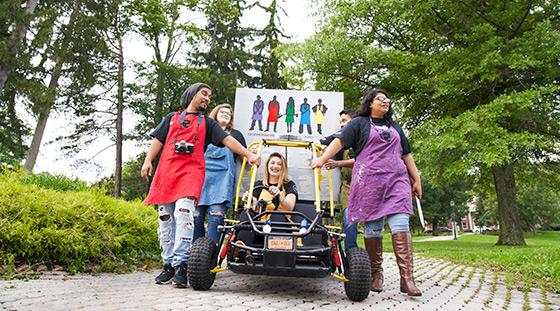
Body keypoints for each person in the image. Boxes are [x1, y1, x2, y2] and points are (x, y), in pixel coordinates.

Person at [141, 83, 259, 288]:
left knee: (184, 213)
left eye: (210, 96)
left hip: (191, 173)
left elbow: (228, 140)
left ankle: (182, 265)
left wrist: (248, 154)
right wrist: (148, 160)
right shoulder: (171, 118)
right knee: (165, 218)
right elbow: (158, 140)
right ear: (192, 94)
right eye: (204, 94)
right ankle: (168, 264)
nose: (207, 98)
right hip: (166, 173)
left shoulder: (208, 123)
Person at [311, 89, 422, 296]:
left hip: (397, 180)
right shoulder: (359, 123)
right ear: (370, 103)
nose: (385, 102)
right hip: (370, 182)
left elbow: (406, 154)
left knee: (401, 224)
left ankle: (407, 278)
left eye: (388, 99)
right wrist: (322, 159)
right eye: (381, 99)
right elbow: (339, 141)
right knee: (373, 228)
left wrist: (416, 179)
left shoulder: (395, 126)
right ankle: (375, 274)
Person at [194, 104, 246, 245]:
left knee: (216, 218)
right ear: (215, 114)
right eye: (222, 112)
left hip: (222, 182)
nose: (225, 114)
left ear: (231, 119)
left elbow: (245, 157)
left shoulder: (236, 135)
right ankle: (194, 256)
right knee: (196, 216)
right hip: (200, 179)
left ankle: (209, 258)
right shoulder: (204, 130)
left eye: (228, 114)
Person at [236, 152, 298, 248]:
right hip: (260, 226)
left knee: (276, 216)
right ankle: (242, 247)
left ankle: (275, 251)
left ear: (283, 168)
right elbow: (254, 206)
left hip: (280, 225)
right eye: (272, 163)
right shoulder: (259, 185)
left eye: (279, 164)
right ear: (268, 165)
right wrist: (248, 199)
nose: (275, 166)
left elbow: (290, 207)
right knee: (246, 213)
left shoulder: (289, 185)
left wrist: (279, 196)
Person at [319, 109, 357, 252]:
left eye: (345, 121)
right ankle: (351, 256)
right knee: (349, 222)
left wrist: (338, 164)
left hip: (368, 184)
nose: (342, 125)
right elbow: (326, 142)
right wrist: (322, 147)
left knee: (373, 226)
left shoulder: (364, 137)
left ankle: (372, 262)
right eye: (340, 122)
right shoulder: (341, 140)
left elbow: (363, 160)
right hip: (348, 186)